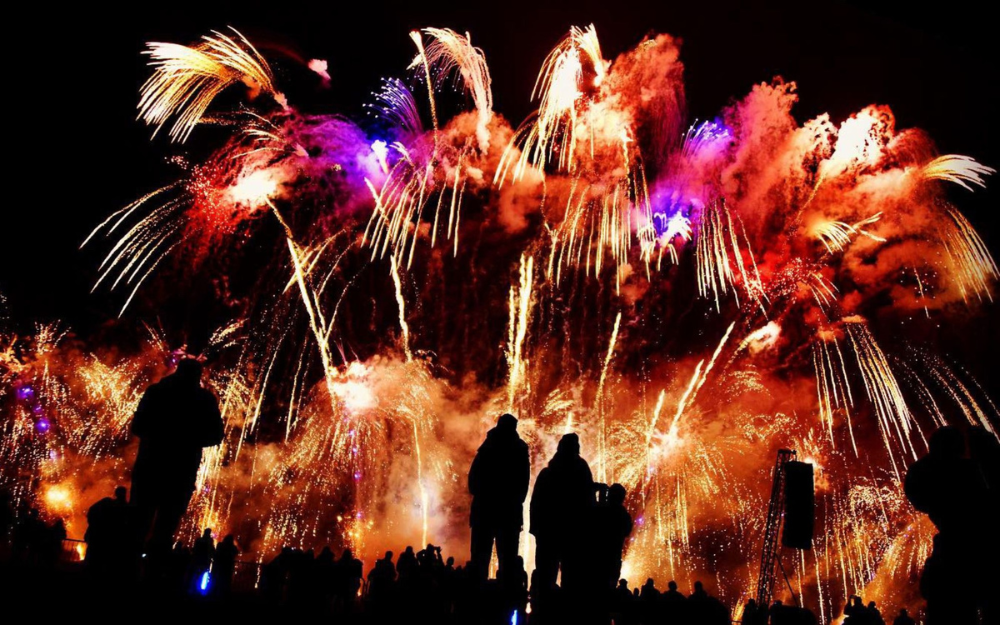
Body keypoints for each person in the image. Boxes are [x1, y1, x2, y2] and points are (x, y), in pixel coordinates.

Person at [130, 359, 224, 554]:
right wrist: (190, 439)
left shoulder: (155, 392)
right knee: (165, 527)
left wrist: (159, 435)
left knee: (138, 522)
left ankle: (125, 572)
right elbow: (216, 435)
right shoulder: (204, 400)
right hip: (182, 471)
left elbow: (137, 426)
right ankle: (154, 574)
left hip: (149, 466)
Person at [905, 427, 989, 624]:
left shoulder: (926, 477)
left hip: (953, 556)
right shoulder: (970, 472)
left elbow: (916, 487)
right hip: (973, 553)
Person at [468, 413, 530, 584]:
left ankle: (476, 599)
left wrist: (484, 494)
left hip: (484, 512)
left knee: (479, 561)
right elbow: (523, 485)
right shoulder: (520, 449)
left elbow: (472, 481)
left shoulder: (486, 448)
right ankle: (506, 603)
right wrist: (513, 502)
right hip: (508, 515)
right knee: (508, 562)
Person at [529, 433, 594, 592]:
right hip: (573, 533)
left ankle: (543, 610)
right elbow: (589, 502)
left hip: (548, 531)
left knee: (546, 574)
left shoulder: (547, 473)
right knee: (571, 578)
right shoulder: (582, 471)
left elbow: (536, 502)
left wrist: (536, 528)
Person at [595, 483, 633, 588]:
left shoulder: (601, 509)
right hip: (613, 559)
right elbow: (627, 532)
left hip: (597, 558)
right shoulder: (624, 514)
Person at [84, 485, 129, 572]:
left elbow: (92, 512)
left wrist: (93, 526)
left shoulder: (108, 503)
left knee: (94, 563)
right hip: (111, 541)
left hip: (101, 539)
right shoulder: (125, 508)